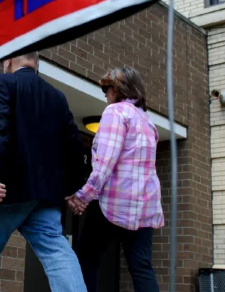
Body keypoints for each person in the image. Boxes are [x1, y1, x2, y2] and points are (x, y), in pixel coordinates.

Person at [0, 52, 87, 292]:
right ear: (36, 63)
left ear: (8, 62)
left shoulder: (2, 82)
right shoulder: (57, 97)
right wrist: (74, 189)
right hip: (44, 197)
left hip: (5, 193)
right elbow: (75, 146)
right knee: (58, 254)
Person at [67, 67, 163, 292]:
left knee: (87, 259)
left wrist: (83, 196)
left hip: (113, 202)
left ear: (117, 88)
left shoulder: (115, 113)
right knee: (141, 267)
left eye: (107, 87)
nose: (105, 93)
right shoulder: (148, 122)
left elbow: (105, 163)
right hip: (144, 206)